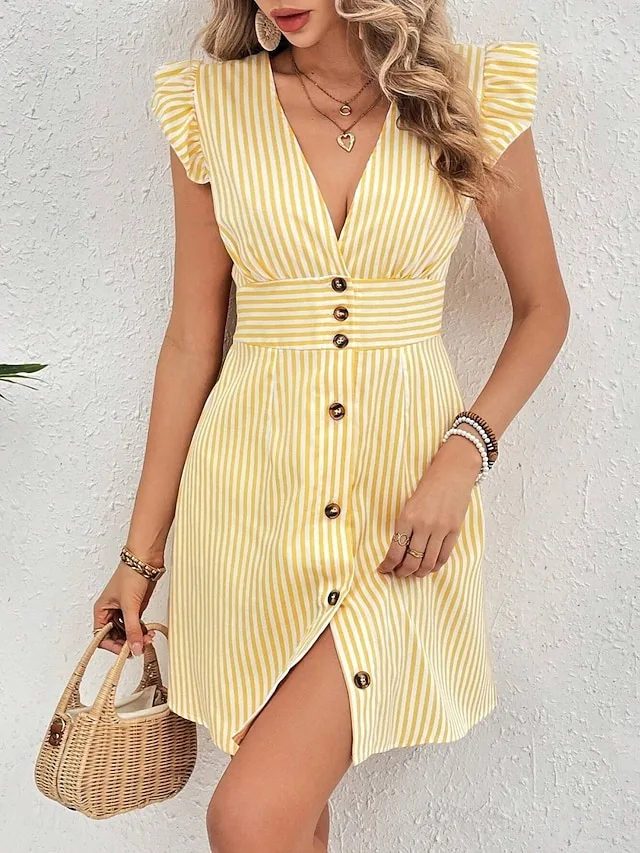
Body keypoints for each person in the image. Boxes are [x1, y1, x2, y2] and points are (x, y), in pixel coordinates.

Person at [93, 1, 569, 850]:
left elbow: (544, 310)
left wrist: (464, 454)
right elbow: (192, 343)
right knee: (283, 820)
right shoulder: (212, 108)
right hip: (249, 511)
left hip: (402, 515)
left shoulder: (468, 93)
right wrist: (139, 558)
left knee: (248, 816)